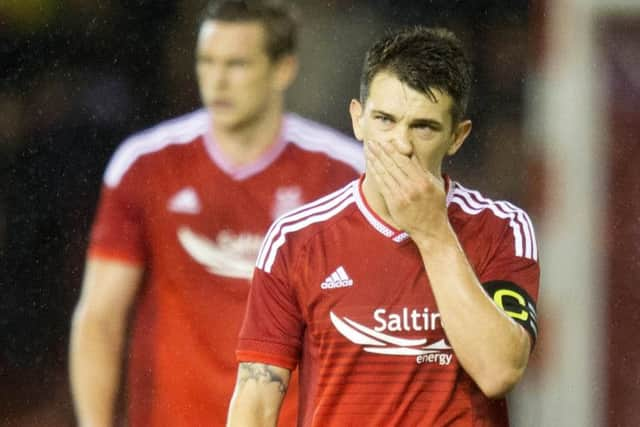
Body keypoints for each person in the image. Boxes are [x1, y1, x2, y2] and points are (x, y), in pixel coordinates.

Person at [69, 1, 363, 426]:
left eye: (237, 64)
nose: (217, 80)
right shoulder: (144, 166)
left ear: (283, 69)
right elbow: (100, 318)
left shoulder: (345, 173)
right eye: (207, 62)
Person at [228, 26, 540, 426]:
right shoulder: (296, 240)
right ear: (358, 120)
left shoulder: (502, 229)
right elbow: (255, 403)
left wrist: (432, 232)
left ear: (457, 137)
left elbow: (499, 371)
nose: (401, 144)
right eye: (385, 120)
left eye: (423, 126)